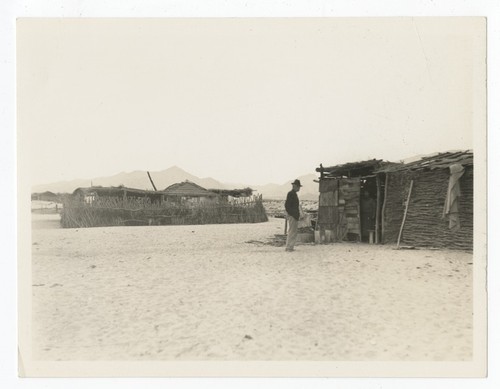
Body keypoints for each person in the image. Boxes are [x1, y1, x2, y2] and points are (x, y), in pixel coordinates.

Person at [284, 179, 302, 252]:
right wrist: (292, 214)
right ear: (295, 186)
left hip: (294, 215)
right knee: (292, 231)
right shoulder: (291, 194)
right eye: (298, 187)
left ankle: (290, 246)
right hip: (293, 216)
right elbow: (287, 205)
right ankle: (289, 247)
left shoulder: (293, 194)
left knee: (292, 231)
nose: (299, 188)